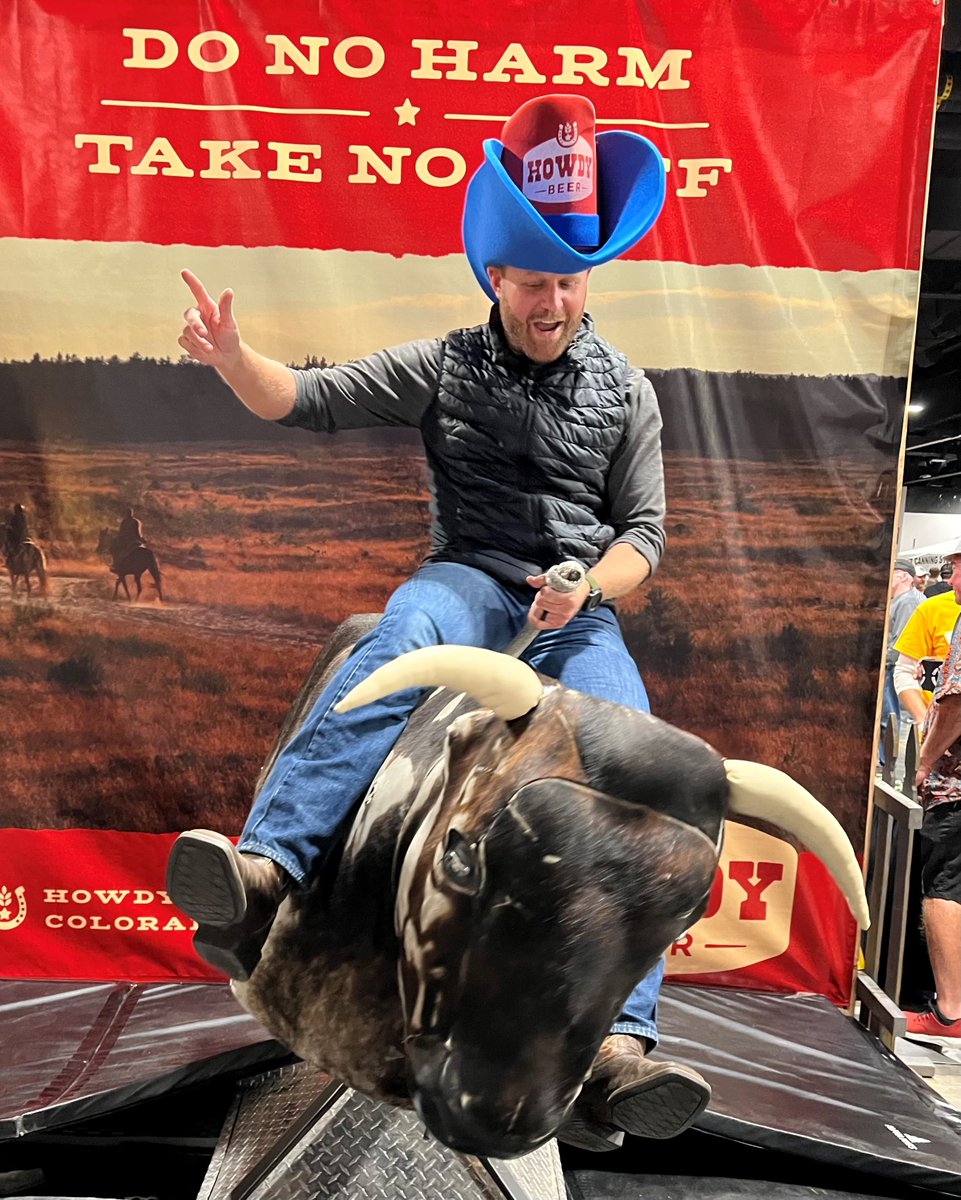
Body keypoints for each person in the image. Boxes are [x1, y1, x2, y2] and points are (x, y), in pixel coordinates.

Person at [166, 94, 709, 1149]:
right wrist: (233, 357)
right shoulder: (443, 365)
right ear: (494, 274)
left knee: (641, 773)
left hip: (575, 609)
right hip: (468, 578)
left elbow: (644, 536)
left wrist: (589, 590)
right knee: (396, 649)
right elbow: (303, 399)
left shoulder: (629, 392)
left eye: (571, 279)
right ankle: (264, 873)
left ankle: (619, 1045)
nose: (553, 299)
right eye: (534, 278)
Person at [906, 540, 961, 1042]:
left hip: (956, 785)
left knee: (944, 886)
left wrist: (925, 762)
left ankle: (949, 1012)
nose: (952, 578)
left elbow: (957, 703)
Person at [893, 564, 961, 729]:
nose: (950, 580)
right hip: (940, 734)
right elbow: (905, 671)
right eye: (954, 568)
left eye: (957, 570)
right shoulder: (932, 609)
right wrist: (925, 723)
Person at [880, 559, 925, 775]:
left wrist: (882, 661)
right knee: (887, 718)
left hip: (893, 668)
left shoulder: (908, 602)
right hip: (891, 666)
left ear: (904, 576)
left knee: (888, 718)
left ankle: (885, 762)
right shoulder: (901, 600)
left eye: (893, 572)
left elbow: (901, 644)